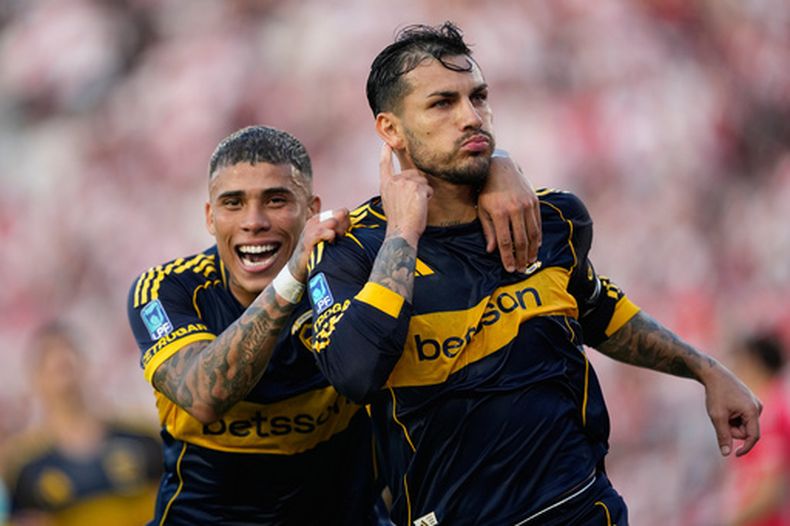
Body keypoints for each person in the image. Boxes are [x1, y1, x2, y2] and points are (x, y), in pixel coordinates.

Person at [306, 22, 763, 525]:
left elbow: (597, 310)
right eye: (442, 104)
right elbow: (355, 373)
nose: (471, 117)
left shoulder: (550, 219)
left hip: (582, 508)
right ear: (391, 130)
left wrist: (706, 371)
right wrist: (403, 232)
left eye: (478, 97)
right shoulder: (350, 250)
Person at [126, 124, 542, 524]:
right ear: (209, 217)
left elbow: (430, 221)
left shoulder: (349, 272)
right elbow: (204, 395)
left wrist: (497, 168)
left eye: (276, 200)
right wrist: (292, 276)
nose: (253, 221)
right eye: (233, 203)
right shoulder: (167, 289)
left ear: (311, 211)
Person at [2, 321, 161, 526]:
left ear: (86, 365)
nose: (60, 364)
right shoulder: (22, 465)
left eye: (67, 355)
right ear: (35, 378)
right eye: (49, 360)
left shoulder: (142, 438)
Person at [724, 331, 790, 526]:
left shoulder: (772, 414)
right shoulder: (760, 412)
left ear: (755, 365)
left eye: (741, 362)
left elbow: (770, 490)